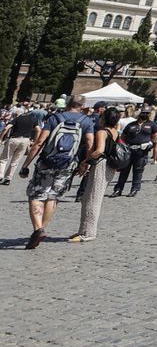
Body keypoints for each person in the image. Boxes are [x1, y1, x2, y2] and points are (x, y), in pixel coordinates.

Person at [22, 95, 94, 249]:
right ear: (83, 106)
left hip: (47, 161)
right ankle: (40, 230)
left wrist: (26, 164)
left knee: (36, 195)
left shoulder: (55, 118)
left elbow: (39, 142)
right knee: (53, 197)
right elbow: (89, 143)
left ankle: (38, 229)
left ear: (68, 103)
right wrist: (85, 163)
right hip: (68, 164)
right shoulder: (86, 121)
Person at [68, 106, 119, 244]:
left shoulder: (102, 132)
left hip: (101, 165)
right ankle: (83, 229)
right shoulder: (115, 131)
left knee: (92, 200)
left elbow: (99, 151)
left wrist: (84, 163)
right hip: (108, 166)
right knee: (88, 198)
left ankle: (88, 232)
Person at [111, 107, 157, 198]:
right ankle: (118, 189)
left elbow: (155, 139)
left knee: (138, 171)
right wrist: (123, 146)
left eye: (147, 113)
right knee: (124, 171)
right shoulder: (131, 125)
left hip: (141, 152)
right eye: (143, 112)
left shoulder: (152, 125)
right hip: (129, 150)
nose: (145, 114)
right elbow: (123, 136)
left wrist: (150, 145)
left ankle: (134, 189)